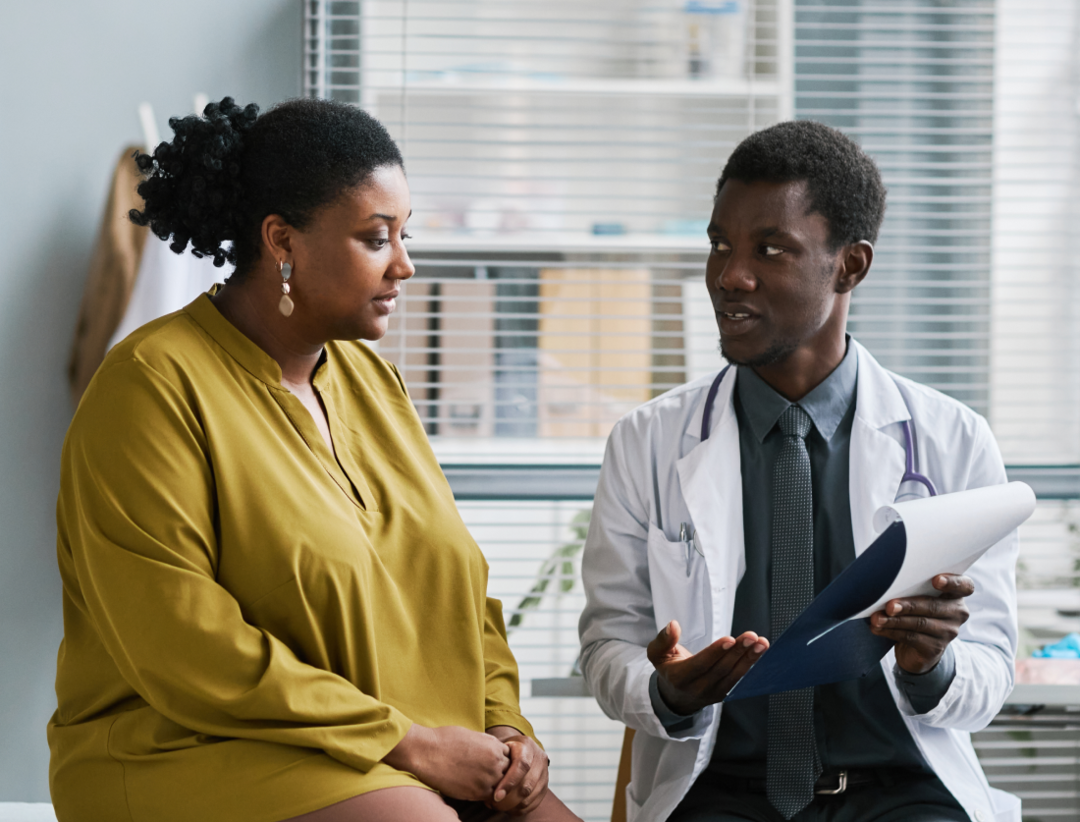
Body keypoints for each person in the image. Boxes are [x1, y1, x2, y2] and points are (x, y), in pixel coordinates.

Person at [49, 97, 582, 822]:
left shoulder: (373, 384)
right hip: (190, 745)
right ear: (282, 241)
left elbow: (461, 594)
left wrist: (506, 728)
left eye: (405, 234)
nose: (405, 263)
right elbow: (185, 646)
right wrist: (410, 743)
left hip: (400, 744)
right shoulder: (149, 386)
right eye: (376, 237)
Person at [578, 120, 1019, 822]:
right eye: (719, 244)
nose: (729, 275)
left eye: (770, 249)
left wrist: (929, 664)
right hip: (722, 795)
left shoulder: (952, 440)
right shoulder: (647, 441)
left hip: (900, 793)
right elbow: (608, 645)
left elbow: (991, 668)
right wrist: (669, 691)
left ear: (850, 266)